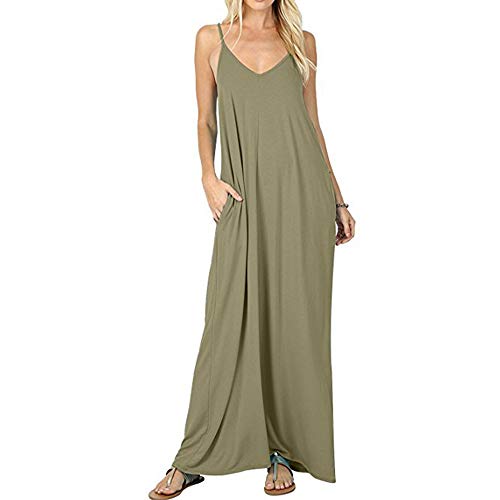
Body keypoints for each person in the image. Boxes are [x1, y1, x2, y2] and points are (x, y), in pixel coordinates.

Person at [149, 0, 355, 497]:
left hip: (302, 197)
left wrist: (337, 199)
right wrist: (208, 177)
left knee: (294, 327)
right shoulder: (210, 39)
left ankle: (281, 451)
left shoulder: (303, 43)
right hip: (241, 197)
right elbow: (205, 120)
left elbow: (312, 125)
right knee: (225, 323)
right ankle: (193, 455)